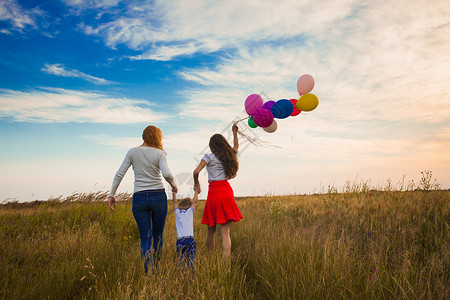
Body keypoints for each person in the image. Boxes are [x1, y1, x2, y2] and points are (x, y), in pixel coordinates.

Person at [108, 125, 177, 273]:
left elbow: (119, 173)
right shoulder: (159, 153)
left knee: (145, 237)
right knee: (157, 235)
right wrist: (174, 185)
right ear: (157, 137)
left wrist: (112, 194)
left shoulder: (132, 152)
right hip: (158, 196)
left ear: (143, 136)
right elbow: (167, 174)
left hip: (139, 198)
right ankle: (157, 268)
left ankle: (149, 273)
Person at [193, 124, 243, 258]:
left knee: (211, 230)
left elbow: (196, 171)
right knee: (225, 233)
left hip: (214, 193)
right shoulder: (229, 155)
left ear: (212, 146)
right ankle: (226, 264)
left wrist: (196, 184)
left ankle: (210, 260)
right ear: (223, 144)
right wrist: (234, 133)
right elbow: (236, 147)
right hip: (226, 191)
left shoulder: (208, 157)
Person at [172, 187, 199, 269]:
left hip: (180, 241)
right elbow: (195, 202)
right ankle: (191, 274)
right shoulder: (190, 212)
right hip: (190, 240)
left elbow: (174, 203)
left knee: (180, 260)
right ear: (189, 206)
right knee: (191, 260)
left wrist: (174, 193)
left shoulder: (177, 213)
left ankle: (181, 274)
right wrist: (196, 192)